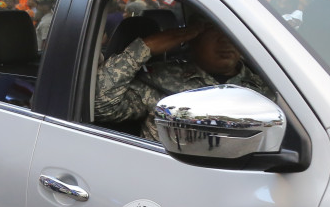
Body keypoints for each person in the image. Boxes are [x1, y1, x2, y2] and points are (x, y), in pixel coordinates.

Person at [96, 14, 274, 141]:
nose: (225, 40)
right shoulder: (160, 79)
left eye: (231, 32)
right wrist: (145, 48)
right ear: (192, 38)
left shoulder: (268, 85)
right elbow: (101, 106)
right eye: (214, 30)